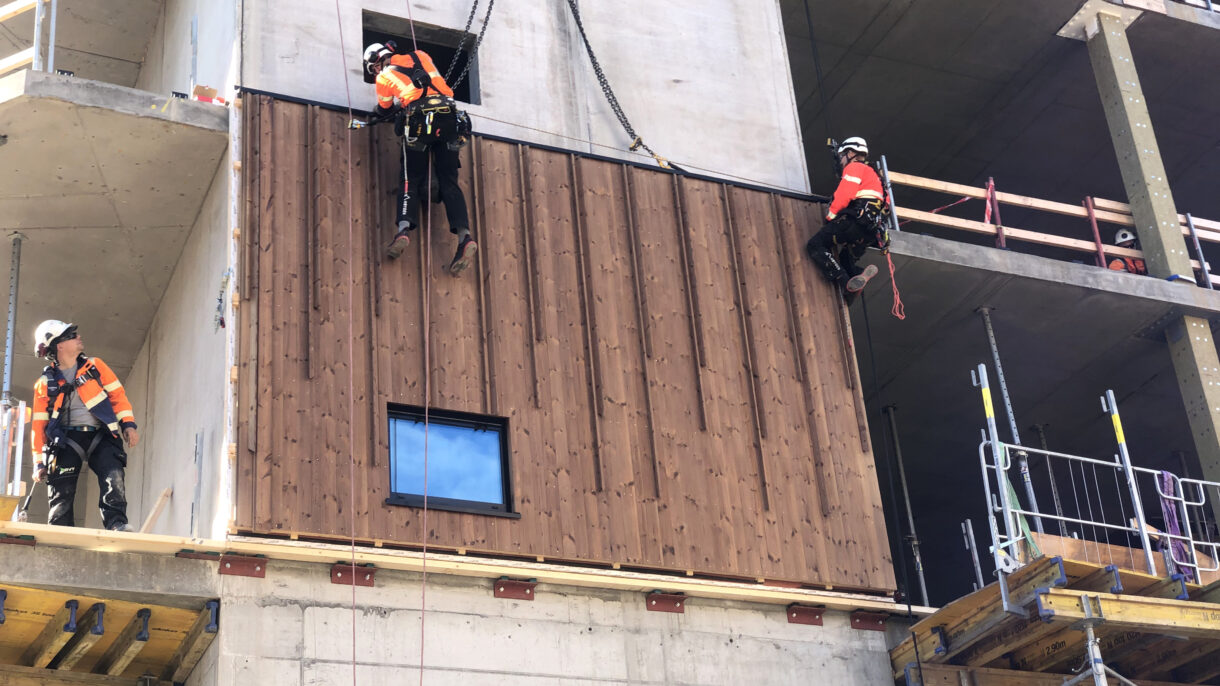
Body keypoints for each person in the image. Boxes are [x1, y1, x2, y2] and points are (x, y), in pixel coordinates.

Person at [362, 41, 477, 275]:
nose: (375, 71)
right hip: (450, 118)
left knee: (410, 178)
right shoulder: (421, 54)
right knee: (449, 180)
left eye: (373, 68)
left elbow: (384, 109)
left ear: (376, 62)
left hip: (418, 123)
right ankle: (464, 237)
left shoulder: (383, 77)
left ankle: (403, 231)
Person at [30, 320, 140, 531]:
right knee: (61, 490)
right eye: (72, 335)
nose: (78, 337)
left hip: (101, 434)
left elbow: (117, 396)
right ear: (59, 345)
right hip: (66, 440)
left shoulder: (95, 366)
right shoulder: (44, 383)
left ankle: (116, 524)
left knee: (114, 478)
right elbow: (39, 426)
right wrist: (39, 462)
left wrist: (128, 424)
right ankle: (60, 534)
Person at [806, 137, 890, 294]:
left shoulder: (855, 168)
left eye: (842, 156)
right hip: (870, 231)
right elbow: (886, 207)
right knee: (845, 259)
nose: (841, 160)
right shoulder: (876, 177)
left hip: (854, 223)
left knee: (815, 245)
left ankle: (844, 282)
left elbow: (844, 194)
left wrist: (830, 217)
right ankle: (857, 276)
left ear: (850, 153)